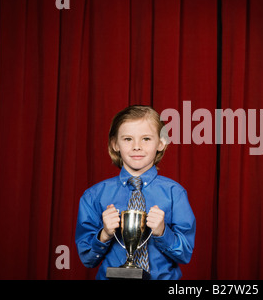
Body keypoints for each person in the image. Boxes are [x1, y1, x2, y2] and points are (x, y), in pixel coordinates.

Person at [75, 105, 196, 280]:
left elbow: (185, 254)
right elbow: (87, 258)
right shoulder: (93, 196)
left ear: (161, 143)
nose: (137, 146)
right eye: (128, 139)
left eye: (146, 138)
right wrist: (104, 234)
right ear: (115, 144)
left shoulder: (174, 193)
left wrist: (163, 232)